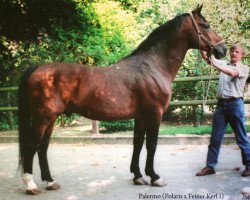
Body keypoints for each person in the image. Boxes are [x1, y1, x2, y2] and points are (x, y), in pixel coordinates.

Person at [196, 43, 250, 177]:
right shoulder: (223, 63)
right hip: (221, 106)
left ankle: (249, 166)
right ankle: (210, 167)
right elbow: (208, 59)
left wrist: (215, 64)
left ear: (242, 54)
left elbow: (231, 73)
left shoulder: (244, 68)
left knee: (241, 138)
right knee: (215, 138)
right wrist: (203, 47)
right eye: (232, 51)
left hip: (235, 105)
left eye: (237, 51)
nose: (233, 53)